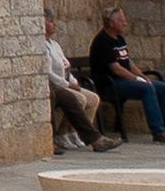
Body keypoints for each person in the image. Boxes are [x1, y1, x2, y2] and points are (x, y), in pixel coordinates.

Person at [89, 7, 165, 143]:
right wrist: (137, 80)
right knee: (147, 89)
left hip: (125, 81)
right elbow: (116, 69)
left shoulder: (119, 39)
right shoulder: (102, 42)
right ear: (111, 23)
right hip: (110, 84)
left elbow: (128, 63)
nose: (125, 23)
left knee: (161, 87)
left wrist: (144, 77)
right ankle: (158, 132)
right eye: (121, 20)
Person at [46, 12, 116, 151]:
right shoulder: (43, 47)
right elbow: (48, 73)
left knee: (93, 98)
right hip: (55, 86)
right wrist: (67, 84)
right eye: (50, 21)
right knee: (78, 98)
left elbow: (66, 66)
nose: (55, 24)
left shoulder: (54, 44)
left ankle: (74, 133)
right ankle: (65, 134)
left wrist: (73, 81)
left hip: (65, 83)